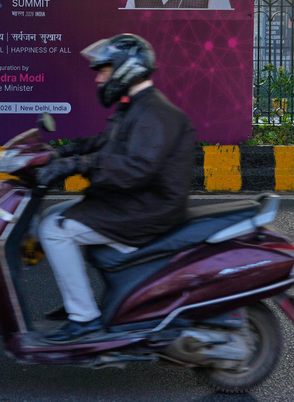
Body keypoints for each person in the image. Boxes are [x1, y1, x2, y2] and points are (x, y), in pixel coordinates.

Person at [35, 34, 196, 343]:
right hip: (136, 202)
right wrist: (64, 152)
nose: (98, 77)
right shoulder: (135, 106)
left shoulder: (153, 114)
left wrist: (77, 165)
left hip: (148, 211)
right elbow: (107, 144)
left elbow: (135, 167)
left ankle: (84, 319)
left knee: (55, 229)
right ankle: (81, 304)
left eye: (104, 70)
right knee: (54, 213)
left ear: (125, 69)